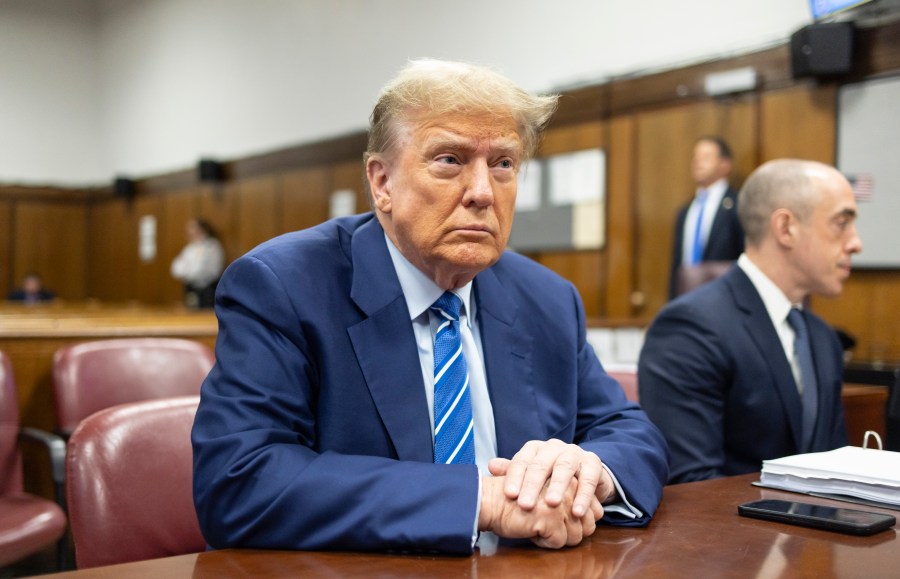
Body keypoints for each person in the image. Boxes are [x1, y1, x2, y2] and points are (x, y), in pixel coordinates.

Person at [192, 58, 668, 554]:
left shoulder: (545, 297)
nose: (483, 192)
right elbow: (239, 482)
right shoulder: (284, 287)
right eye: (449, 160)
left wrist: (588, 474)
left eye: (503, 164)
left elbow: (628, 432)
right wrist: (480, 500)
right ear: (382, 183)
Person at [639, 158, 863, 484]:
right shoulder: (690, 329)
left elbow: (833, 470)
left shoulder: (822, 338)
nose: (856, 243)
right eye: (842, 223)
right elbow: (694, 486)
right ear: (786, 228)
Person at [668, 136, 744, 299]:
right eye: (695, 157)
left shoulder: (738, 205)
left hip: (724, 299)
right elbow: (677, 265)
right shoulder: (685, 211)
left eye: (706, 158)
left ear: (725, 165)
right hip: (686, 300)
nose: (697, 162)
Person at [170, 218, 224, 308]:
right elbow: (176, 268)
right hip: (190, 288)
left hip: (207, 290)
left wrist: (188, 270)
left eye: (192, 227)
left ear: (201, 229)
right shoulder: (189, 248)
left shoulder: (211, 247)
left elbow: (200, 270)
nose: (189, 231)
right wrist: (188, 271)